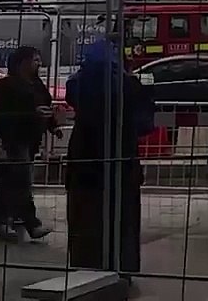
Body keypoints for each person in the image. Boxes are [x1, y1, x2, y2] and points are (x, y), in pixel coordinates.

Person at [65, 38, 155, 282]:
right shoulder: (129, 86)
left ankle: (85, 267)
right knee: (121, 216)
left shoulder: (77, 84)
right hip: (121, 159)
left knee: (85, 216)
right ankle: (120, 266)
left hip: (85, 160)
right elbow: (145, 124)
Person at [0, 46, 55, 242]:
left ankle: (5, 222)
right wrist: (33, 113)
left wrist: (52, 124)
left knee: (13, 183)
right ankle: (28, 222)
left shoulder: (36, 84)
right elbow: (7, 112)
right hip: (14, 140)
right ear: (22, 62)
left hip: (31, 139)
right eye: (35, 60)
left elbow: (45, 104)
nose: (39, 64)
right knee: (19, 181)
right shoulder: (6, 85)